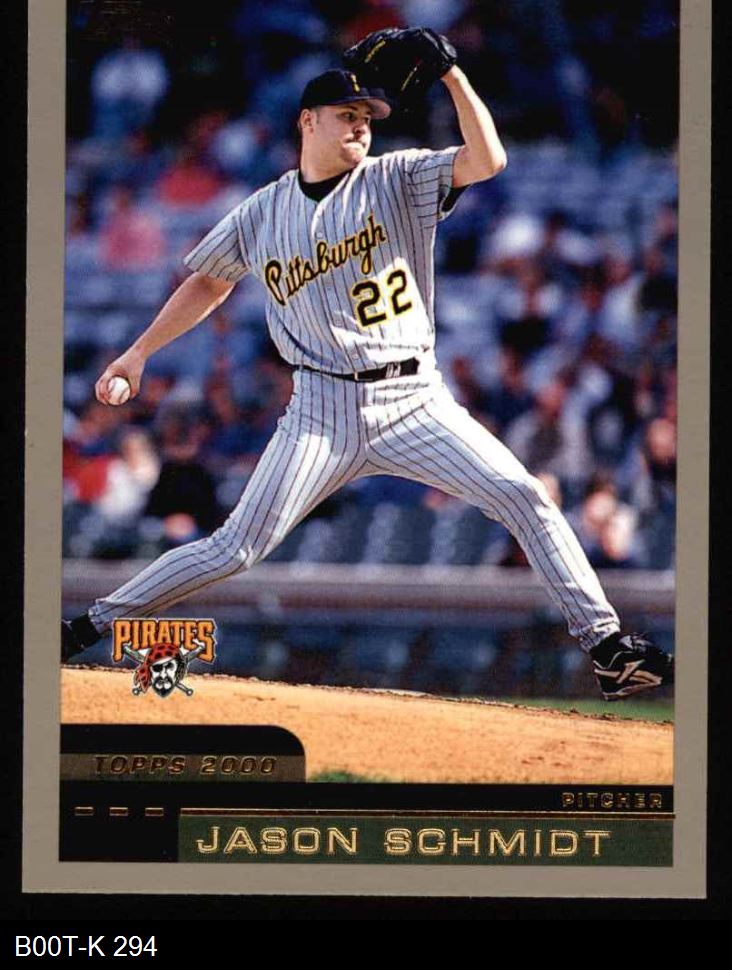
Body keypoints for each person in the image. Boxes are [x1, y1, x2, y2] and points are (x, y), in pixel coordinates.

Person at [62, 62, 673, 701]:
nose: (361, 126)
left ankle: (607, 646)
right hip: (319, 409)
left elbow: (487, 159)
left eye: (367, 118)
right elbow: (208, 281)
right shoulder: (263, 211)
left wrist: (453, 77)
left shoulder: (395, 177)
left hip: (413, 401)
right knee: (234, 549)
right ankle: (86, 626)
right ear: (307, 121)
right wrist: (138, 353)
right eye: (347, 115)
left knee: (525, 496)